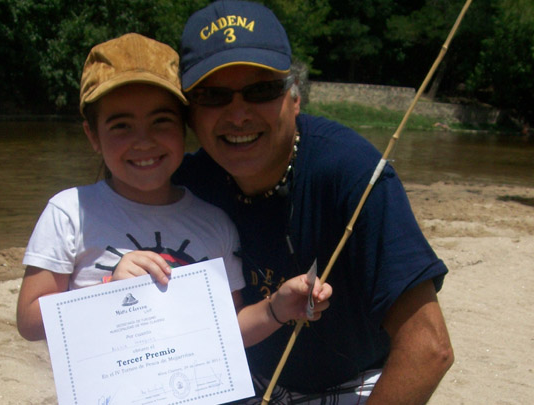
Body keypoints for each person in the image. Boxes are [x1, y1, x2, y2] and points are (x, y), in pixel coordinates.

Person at [174, 1, 454, 404]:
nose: (237, 115)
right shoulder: (188, 182)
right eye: (213, 95)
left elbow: (429, 349)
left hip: (353, 387)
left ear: (295, 97)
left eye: (261, 90)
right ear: (189, 114)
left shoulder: (353, 173)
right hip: (243, 382)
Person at [16, 33, 331, 347]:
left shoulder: (215, 222)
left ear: (185, 126)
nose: (144, 141)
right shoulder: (69, 212)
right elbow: (30, 321)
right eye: (121, 126)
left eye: (161, 121)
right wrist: (110, 293)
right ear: (93, 136)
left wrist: (276, 308)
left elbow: (226, 329)